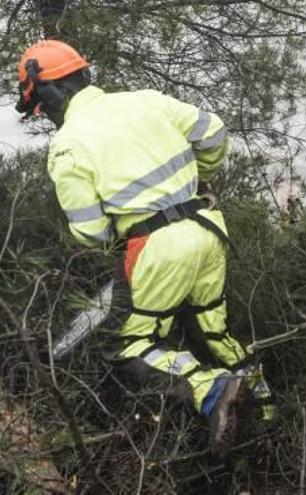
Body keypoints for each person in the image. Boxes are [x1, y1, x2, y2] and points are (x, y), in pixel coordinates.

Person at [16, 40, 275, 457]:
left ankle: (211, 391)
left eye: (39, 106)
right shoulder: (146, 100)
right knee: (214, 330)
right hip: (208, 229)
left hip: (156, 246)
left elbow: (90, 232)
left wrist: (119, 233)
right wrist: (201, 180)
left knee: (130, 346)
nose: (43, 115)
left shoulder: (67, 145)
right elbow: (214, 133)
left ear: (48, 91)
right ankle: (267, 411)